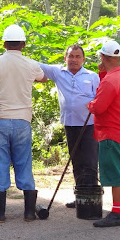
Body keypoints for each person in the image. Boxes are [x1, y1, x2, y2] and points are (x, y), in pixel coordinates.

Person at [0, 24, 45, 222]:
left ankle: (0, 213)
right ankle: (29, 212)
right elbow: (43, 79)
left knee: (0, 164)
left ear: (5, 43)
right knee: (24, 163)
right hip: (22, 121)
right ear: (23, 44)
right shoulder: (31, 64)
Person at [39, 44, 100, 208]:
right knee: (76, 161)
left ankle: (91, 199)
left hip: (89, 124)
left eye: (77, 56)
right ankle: (80, 196)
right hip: (70, 124)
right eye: (71, 56)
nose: (74, 60)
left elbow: (100, 99)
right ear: (65, 58)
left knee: (90, 161)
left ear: (83, 59)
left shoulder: (92, 76)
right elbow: (35, 65)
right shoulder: (58, 72)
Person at [87, 40, 120, 228]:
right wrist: (102, 72)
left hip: (111, 131)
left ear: (103, 57)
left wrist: (90, 105)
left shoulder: (110, 80)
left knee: (115, 174)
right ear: (119, 57)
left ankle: (116, 213)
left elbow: (99, 107)